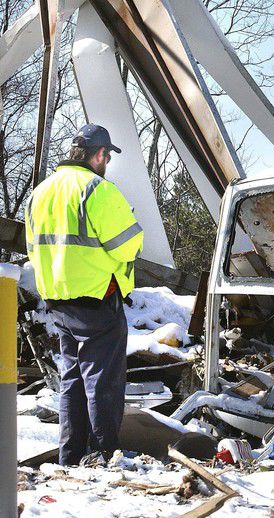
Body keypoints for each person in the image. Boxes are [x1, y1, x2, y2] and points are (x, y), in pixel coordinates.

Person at [25, 124, 143, 465]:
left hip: (58, 303)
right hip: (96, 300)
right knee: (103, 384)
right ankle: (107, 456)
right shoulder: (97, 190)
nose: (106, 162)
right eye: (107, 156)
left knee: (72, 382)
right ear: (100, 155)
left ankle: (71, 457)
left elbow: (34, 250)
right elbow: (128, 246)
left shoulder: (40, 193)